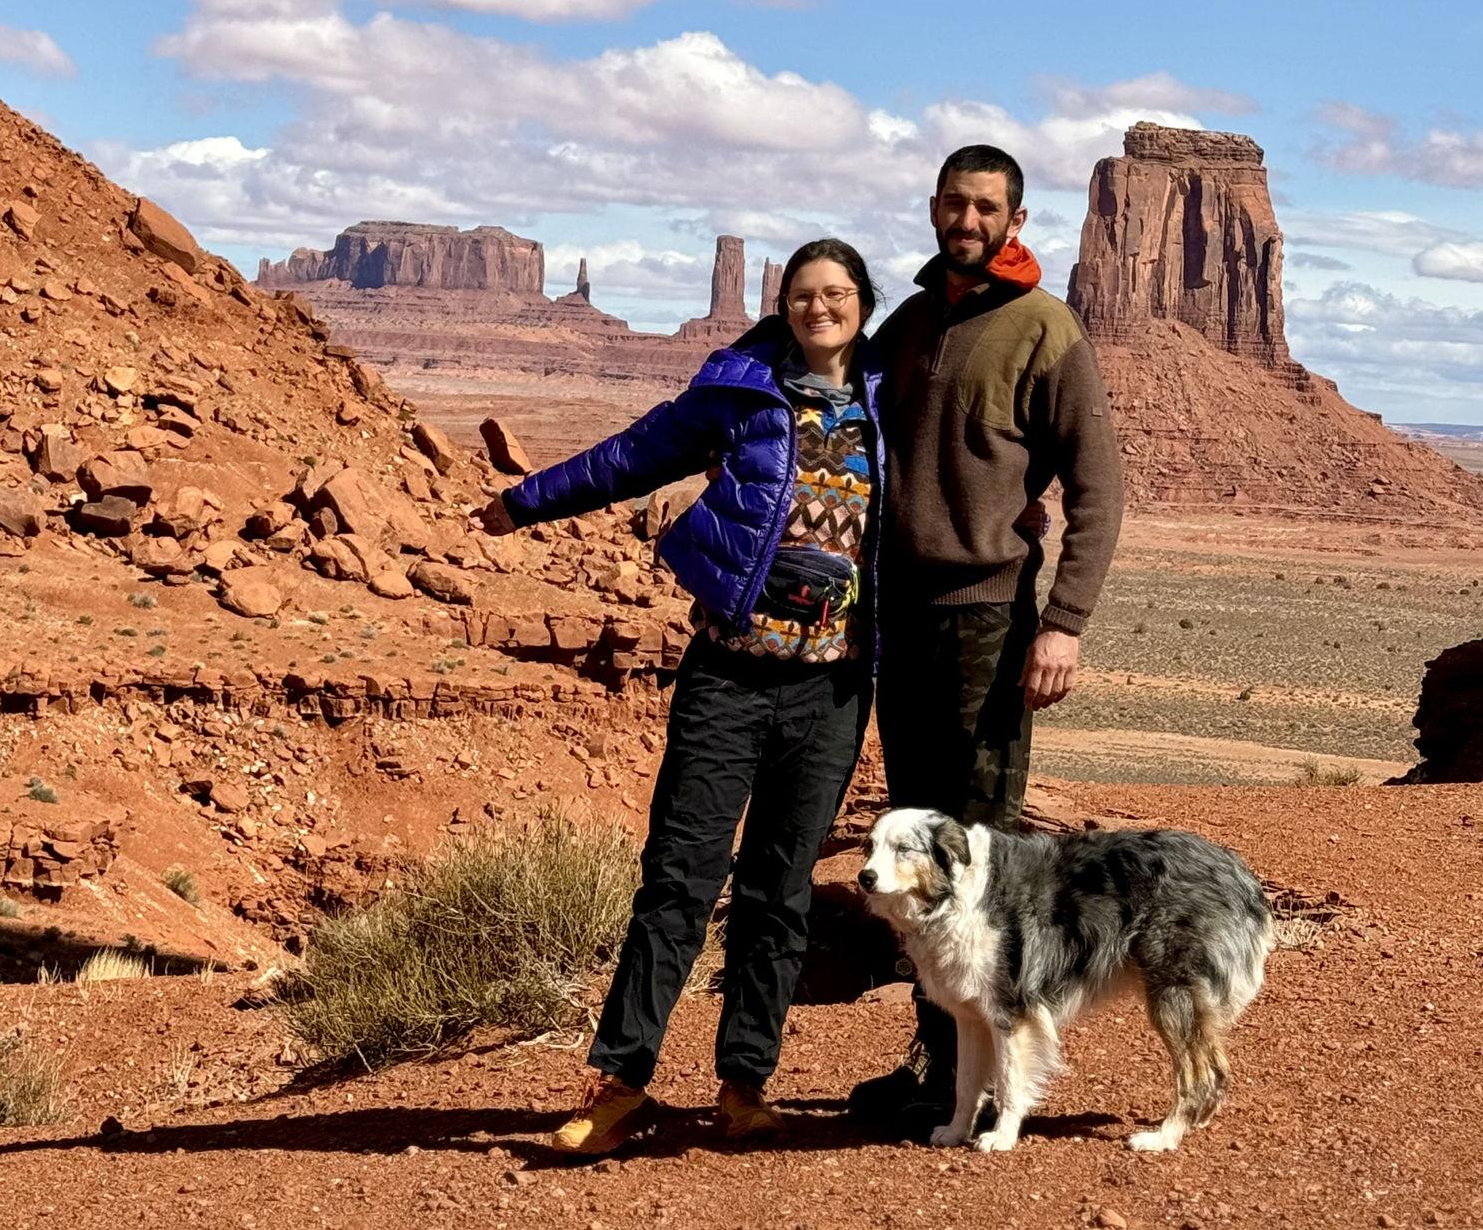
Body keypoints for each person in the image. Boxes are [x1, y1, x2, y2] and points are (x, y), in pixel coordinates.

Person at [478, 239, 883, 1156]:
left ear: (864, 302)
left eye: (839, 294)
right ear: (781, 305)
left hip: (829, 688)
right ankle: (619, 1083)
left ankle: (744, 1085)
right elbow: (636, 454)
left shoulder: (890, 403)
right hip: (730, 676)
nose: (821, 308)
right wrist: (526, 501)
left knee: (780, 892)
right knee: (678, 883)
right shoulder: (741, 391)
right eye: (804, 295)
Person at [847, 143, 1125, 1136]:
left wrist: (1063, 623)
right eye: (954, 203)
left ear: (1013, 218)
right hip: (901, 615)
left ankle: (994, 1077)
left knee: (982, 855)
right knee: (918, 849)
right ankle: (940, 1070)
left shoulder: (1044, 329)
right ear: (932, 207)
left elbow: (1097, 488)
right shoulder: (911, 322)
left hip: (989, 618)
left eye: (985, 206)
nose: (966, 219)